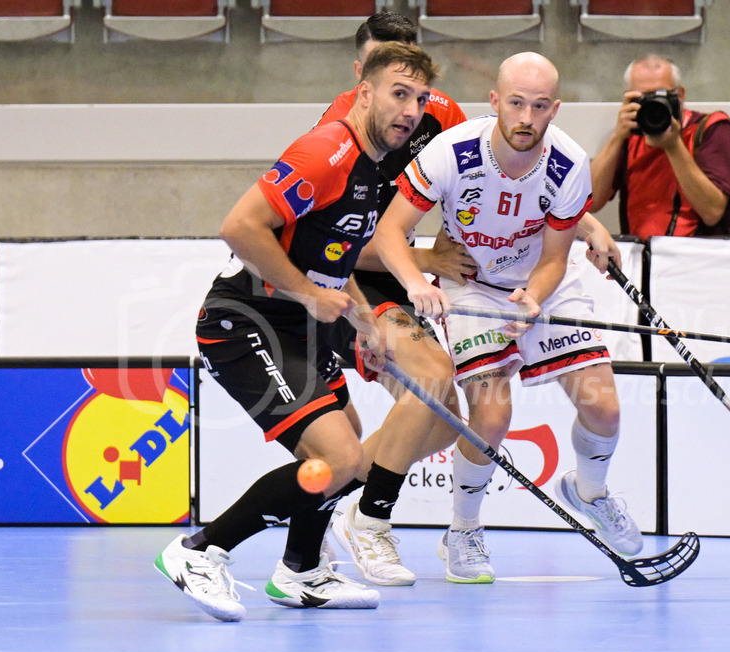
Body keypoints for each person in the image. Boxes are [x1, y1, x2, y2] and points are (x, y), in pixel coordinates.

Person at [154, 43, 440, 621]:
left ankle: (303, 570)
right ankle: (200, 552)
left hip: (301, 326)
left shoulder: (375, 167)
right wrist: (310, 295)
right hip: (247, 321)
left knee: (351, 459)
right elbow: (240, 227)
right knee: (334, 457)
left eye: (418, 99)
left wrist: (364, 323)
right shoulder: (326, 152)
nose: (409, 110)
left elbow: (336, 261)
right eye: (397, 93)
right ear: (365, 93)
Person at [369, 52, 643, 584]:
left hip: (541, 287)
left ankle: (590, 491)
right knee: (491, 416)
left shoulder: (569, 163)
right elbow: (387, 232)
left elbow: (554, 259)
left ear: (555, 109)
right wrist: (416, 282)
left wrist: (534, 298)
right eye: (516, 103)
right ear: (495, 102)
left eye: (540, 107)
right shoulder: (450, 153)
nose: (526, 117)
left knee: (604, 407)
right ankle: (463, 530)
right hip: (471, 288)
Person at [306, 11, 475, 588]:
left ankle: (334, 504)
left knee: (447, 417)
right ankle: (371, 521)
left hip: (399, 273)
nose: (407, 103)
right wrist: (422, 261)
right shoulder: (336, 132)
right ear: (363, 77)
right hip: (348, 278)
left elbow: (470, 192)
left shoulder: (443, 113)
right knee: (432, 375)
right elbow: (337, 240)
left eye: (413, 83)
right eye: (388, 78)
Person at [589, 54, 730, 238]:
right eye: (643, 98)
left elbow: (713, 212)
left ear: (680, 95)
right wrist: (617, 137)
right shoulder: (630, 136)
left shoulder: (713, 131)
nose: (653, 106)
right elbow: (589, 202)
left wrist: (673, 147)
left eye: (660, 96)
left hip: (703, 261)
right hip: (644, 259)